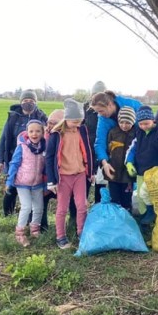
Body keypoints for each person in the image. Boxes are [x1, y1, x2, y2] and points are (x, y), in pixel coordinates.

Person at [46, 98, 94, 249]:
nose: (77, 124)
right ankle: (61, 237)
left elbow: (88, 152)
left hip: (79, 174)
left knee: (82, 205)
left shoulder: (82, 131)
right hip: (63, 177)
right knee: (62, 208)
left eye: (80, 121)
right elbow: (49, 158)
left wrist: (91, 171)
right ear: (66, 119)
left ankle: (82, 233)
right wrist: (51, 181)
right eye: (75, 122)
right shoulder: (56, 134)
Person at [0, 90, 48, 216]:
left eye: (31, 101)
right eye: (25, 101)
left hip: (34, 160)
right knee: (11, 187)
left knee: (33, 190)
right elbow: (4, 139)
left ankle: (31, 219)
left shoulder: (42, 117)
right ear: (20, 102)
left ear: (36, 103)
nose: (28, 103)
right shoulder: (13, 118)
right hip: (15, 158)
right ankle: (8, 216)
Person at [125, 105, 158, 234]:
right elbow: (132, 148)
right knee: (140, 196)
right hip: (141, 170)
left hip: (155, 172)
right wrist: (129, 162)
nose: (144, 126)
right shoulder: (138, 132)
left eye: (146, 123)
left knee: (151, 195)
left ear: (153, 120)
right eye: (141, 124)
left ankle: (153, 215)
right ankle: (144, 219)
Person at [6, 119, 47, 247]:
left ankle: (35, 230)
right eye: (31, 131)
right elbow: (14, 164)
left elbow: (46, 166)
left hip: (38, 183)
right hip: (22, 182)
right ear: (27, 132)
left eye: (38, 131)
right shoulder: (22, 147)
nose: (34, 134)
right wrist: (9, 181)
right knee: (26, 207)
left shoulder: (44, 147)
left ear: (42, 132)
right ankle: (20, 233)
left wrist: (46, 183)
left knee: (39, 208)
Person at [90, 90, 141, 181]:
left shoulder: (132, 105)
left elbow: (145, 127)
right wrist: (104, 163)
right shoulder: (103, 119)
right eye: (97, 112)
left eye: (101, 111)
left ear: (110, 104)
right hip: (118, 153)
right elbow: (100, 142)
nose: (100, 114)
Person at [105, 106, 137, 210]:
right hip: (113, 172)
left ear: (133, 122)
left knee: (126, 200)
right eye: (121, 122)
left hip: (128, 175)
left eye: (127, 123)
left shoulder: (136, 133)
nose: (124, 125)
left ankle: (127, 218)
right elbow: (107, 150)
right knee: (114, 199)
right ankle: (116, 220)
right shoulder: (113, 132)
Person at [83, 80, 106, 203]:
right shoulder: (84, 110)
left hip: (102, 150)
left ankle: (99, 209)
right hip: (87, 151)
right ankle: (78, 214)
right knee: (84, 182)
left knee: (101, 182)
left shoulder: (108, 111)